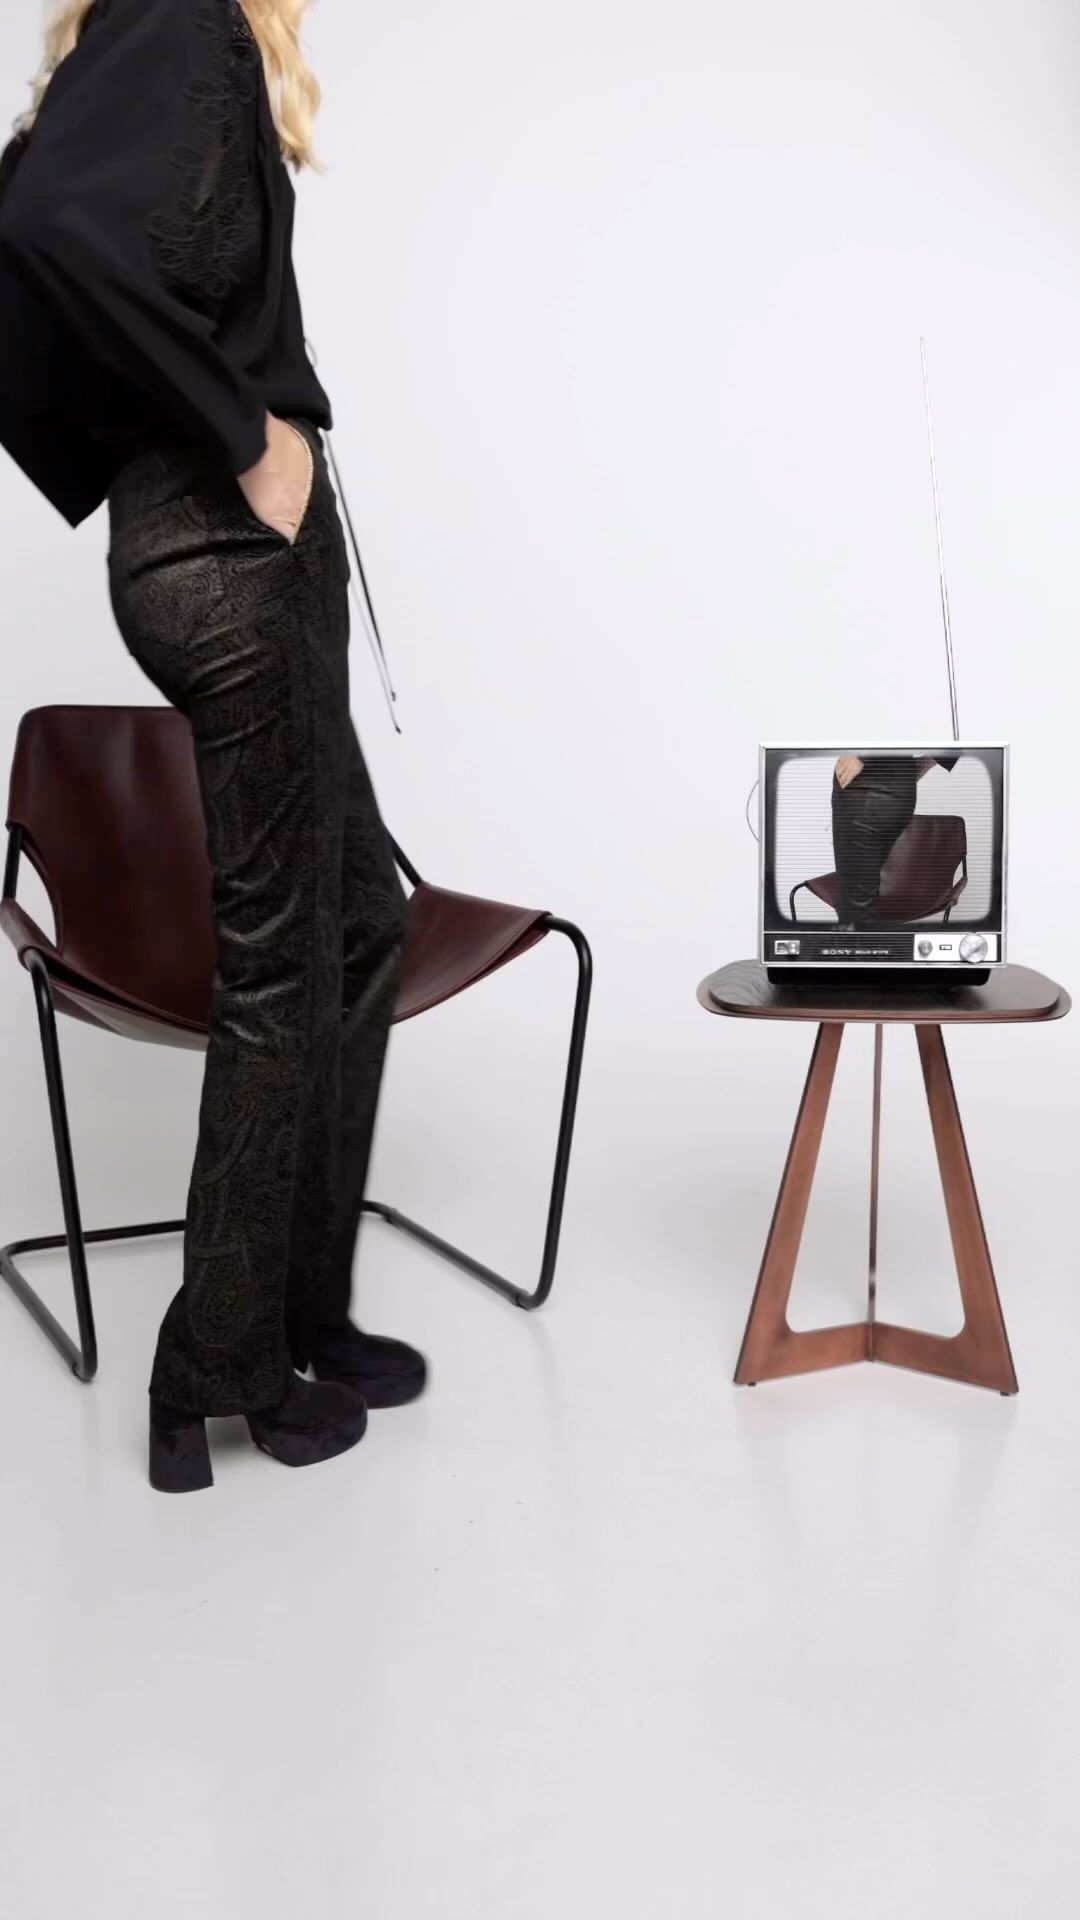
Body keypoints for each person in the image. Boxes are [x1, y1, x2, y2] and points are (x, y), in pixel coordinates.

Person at [0, 0, 427, 1492]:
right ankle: (217, 1371)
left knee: (358, 921)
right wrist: (243, 438)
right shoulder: (186, 14)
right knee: (280, 962)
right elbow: (44, 227)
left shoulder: (155, 39)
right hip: (231, 546)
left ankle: (301, 1314)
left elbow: (48, 223)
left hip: (201, 542)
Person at [830, 751, 960, 929]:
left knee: (855, 913)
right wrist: (926, 762)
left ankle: (868, 946)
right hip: (892, 784)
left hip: (868, 788)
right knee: (859, 903)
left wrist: (861, 753)